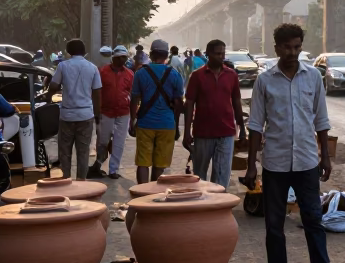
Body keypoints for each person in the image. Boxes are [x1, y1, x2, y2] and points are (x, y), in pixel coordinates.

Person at [244, 23, 345, 263]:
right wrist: (252, 165)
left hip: (306, 162)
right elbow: (255, 125)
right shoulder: (264, 81)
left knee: (314, 222)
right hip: (275, 164)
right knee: (274, 227)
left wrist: (325, 157)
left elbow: (321, 120)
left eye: (297, 47)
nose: (293, 52)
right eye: (288, 47)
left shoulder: (313, 77)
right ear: (276, 47)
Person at [184, 39, 246, 188]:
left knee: (222, 175)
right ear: (208, 54)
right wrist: (187, 132)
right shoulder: (197, 76)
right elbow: (189, 104)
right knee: (200, 176)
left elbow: (237, 102)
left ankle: (218, 207)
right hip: (203, 133)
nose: (221, 57)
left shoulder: (231, 75)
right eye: (218, 53)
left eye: (223, 53)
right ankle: (202, 207)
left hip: (226, 132)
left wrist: (242, 128)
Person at [129, 39, 185, 184]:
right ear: (166, 55)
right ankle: (153, 195)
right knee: (159, 165)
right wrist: (176, 125)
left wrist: (132, 120)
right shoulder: (175, 74)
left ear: (151, 54)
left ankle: (141, 194)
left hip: (145, 123)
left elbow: (134, 99)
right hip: (167, 124)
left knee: (143, 163)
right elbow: (178, 103)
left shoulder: (140, 73)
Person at [46, 39, 102, 179]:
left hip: (67, 115)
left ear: (69, 51)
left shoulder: (63, 66)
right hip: (86, 115)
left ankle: (66, 181)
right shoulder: (92, 68)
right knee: (83, 153)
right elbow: (97, 93)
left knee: (65, 152)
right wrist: (97, 115)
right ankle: (81, 183)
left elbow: (54, 86)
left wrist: (48, 97)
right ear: (84, 51)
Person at [87, 45, 134, 179]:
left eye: (124, 58)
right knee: (102, 141)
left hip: (123, 112)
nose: (122, 60)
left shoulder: (130, 74)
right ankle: (99, 164)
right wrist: (95, 111)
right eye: (119, 58)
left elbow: (132, 94)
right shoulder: (102, 72)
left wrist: (133, 116)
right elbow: (95, 92)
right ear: (114, 58)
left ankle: (113, 170)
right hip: (105, 112)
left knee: (119, 142)